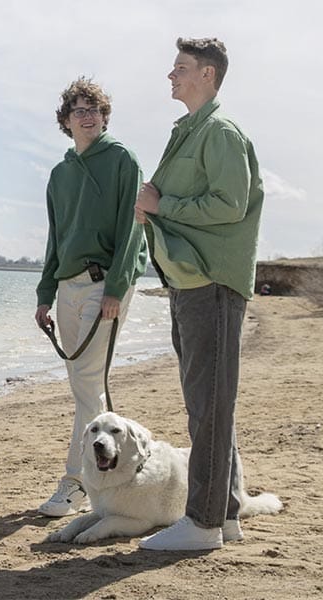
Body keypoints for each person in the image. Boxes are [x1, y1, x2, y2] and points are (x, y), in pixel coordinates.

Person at [134, 37, 264, 551]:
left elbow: (230, 204)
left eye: (181, 68)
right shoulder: (189, 131)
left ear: (208, 74)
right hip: (188, 282)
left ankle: (203, 524)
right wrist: (154, 209)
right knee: (209, 406)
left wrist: (163, 205)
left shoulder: (221, 132)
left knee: (208, 407)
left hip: (210, 282)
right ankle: (225, 514)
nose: (171, 75)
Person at [35, 77, 147, 517]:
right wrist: (45, 293)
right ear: (66, 121)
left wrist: (117, 288)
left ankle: (76, 482)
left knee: (86, 383)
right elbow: (55, 239)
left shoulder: (123, 159)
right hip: (66, 286)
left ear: (104, 117)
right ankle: (112, 471)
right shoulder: (59, 174)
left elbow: (132, 229)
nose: (87, 115)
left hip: (106, 283)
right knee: (85, 386)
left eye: (94, 109)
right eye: (78, 110)